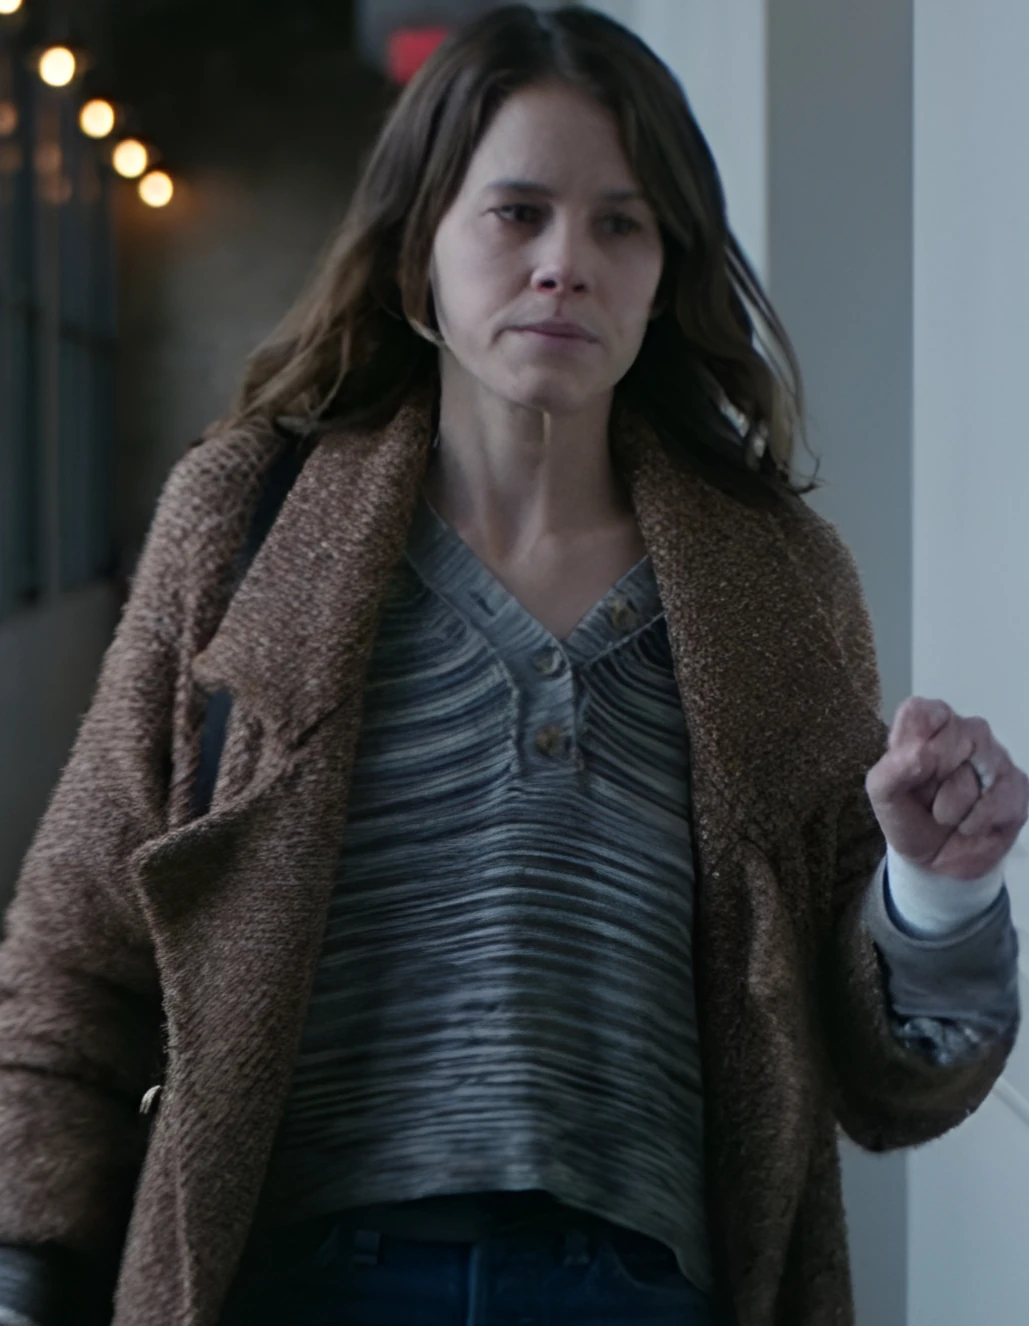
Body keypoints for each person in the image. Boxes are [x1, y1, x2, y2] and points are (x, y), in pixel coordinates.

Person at [0, 5, 1024, 1325]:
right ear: (417, 249)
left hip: (637, 1292)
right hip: (298, 1282)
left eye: (620, 224)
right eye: (517, 213)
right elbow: (73, 956)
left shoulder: (777, 581)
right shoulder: (244, 524)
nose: (564, 265)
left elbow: (888, 1080)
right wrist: (22, 1268)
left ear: (665, 273)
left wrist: (937, 891)